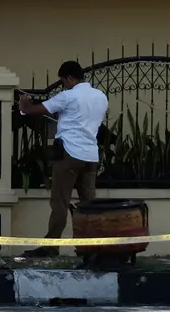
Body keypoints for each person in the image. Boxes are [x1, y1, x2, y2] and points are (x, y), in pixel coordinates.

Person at [18, 60, 109, 257]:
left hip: (69, 153)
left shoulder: (68, 96)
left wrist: (24, 105)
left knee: (59, 202)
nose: (63, 85)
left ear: (69, 78)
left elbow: (33, 110)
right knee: (89, 204)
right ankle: (91, 247)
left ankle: (51, 247)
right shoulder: (100, 96)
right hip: (91, 156)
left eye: (63, 81)